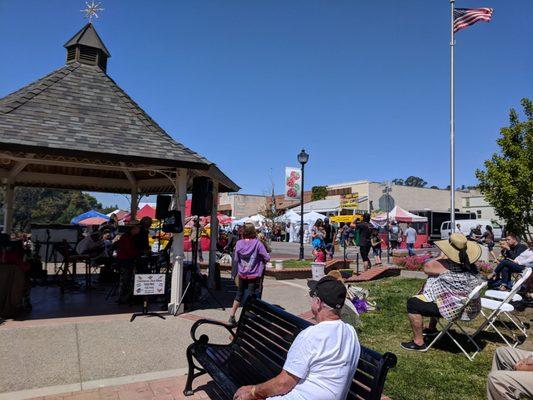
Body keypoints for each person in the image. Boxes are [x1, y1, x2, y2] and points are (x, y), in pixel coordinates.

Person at [233, 276, 360, 400]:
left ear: (318, 303)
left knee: (242, 396)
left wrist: (253, 391)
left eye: (313, 297)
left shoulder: (311, 335)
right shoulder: (351, 332)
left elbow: (283, 384)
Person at [401, 233, 482, 351]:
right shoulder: (471, 266)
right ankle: (432, 328)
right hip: (467, 307)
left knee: (412, 303)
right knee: (438, 293)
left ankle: (418, 342)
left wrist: (442, 256)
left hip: (453, 308)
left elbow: (427, 267)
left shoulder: (445, 265)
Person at [228, 223, 270, 325]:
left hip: (242, 273)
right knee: (251, 296)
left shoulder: (238, 243)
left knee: (239, 294)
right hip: (254, 274)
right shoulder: (257, 243)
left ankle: (232, 316)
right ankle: (247, 318)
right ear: (253, 232)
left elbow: (236, 259)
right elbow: (267, 257)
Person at [116, 222, 141, 304]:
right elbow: (129, 250)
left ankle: (125, 297)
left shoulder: (129, 237)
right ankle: (123, 298)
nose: (139, 230)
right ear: (133, 229)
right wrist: (137, 254)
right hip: (125, 260)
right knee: (126, 279)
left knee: (126, 279)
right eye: (137, 228)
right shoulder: (127, 237)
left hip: (126, 259)